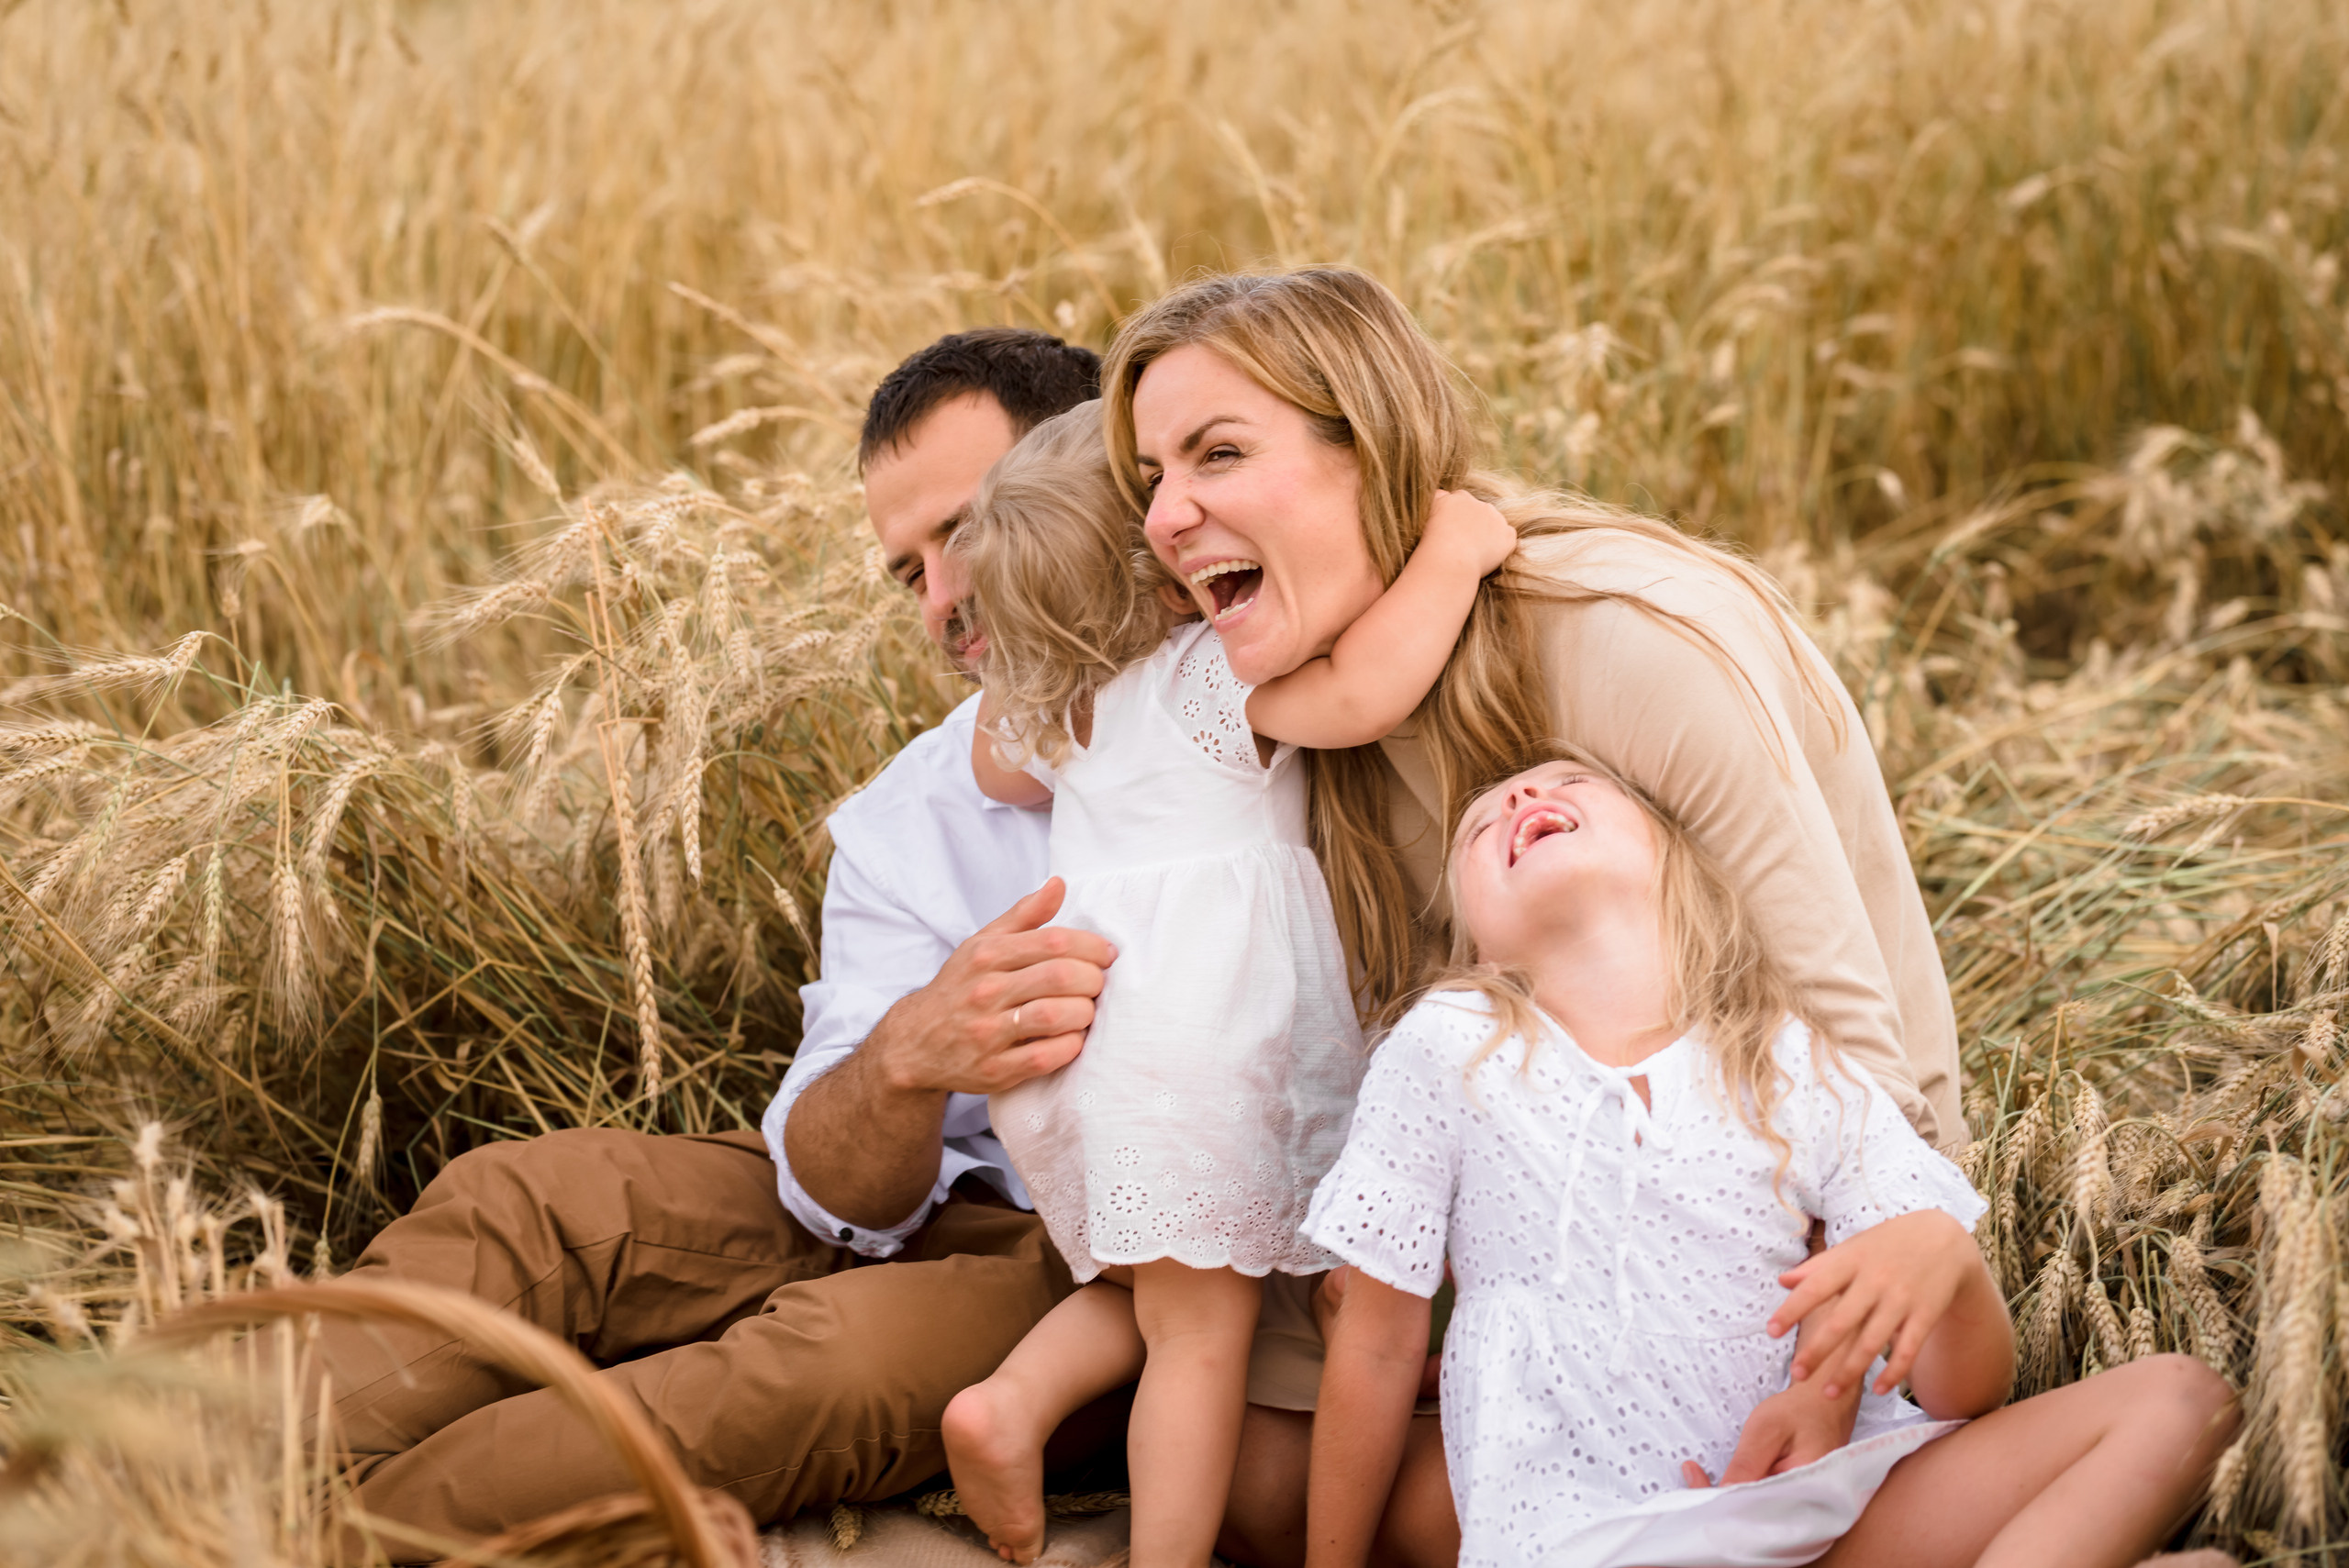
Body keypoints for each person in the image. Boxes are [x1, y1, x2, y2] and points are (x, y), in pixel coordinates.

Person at [1089, 263, 1996, 1547]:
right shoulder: (1325, 719)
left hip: (1801, 1263)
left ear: (1376, 447)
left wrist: (1830, 1379)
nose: (1168, 517)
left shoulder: (1629, 649)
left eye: (1217, 455)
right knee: (1242, 1478)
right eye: (1149, 483)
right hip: (1555, 1255)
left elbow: (1864, 1065)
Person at [301, 330, 1148, 1560]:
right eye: (906, 572)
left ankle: (317, 1539)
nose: (943, 603)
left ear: (1099, 478)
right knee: (527, 1202)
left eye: (965, 531)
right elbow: (830, 1186)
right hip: (920, 1198)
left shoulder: (1263, 699)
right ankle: (133, 1472)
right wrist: (910, 1055)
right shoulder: (911, 816)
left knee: (811, 1368)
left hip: (1100, 1259)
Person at [1299, 750, 2238, 1568]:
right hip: (1593, 1533)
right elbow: (1378, 1343)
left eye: (1568, 782)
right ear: (1479, 940)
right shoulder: (1448, 1047)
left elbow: (1964, 1388)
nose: (1520, 798)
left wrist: (1941, 1254)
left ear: (1672, 857)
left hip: (1827, 1508)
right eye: (1477, 825)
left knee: (2182, 1400)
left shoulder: (1794, 1059)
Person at [933, 406, 1516, 1565]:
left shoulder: (1054, 712)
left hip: (1101, 1049)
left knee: (1170, 1295)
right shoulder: (1202, 681)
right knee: (1201, 1337)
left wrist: (1034, 655)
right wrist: (1454, 551)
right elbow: (1361, 695)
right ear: (1157, 573)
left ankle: (1006, 1404)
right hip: (1192, 1048)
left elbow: (993, 767)